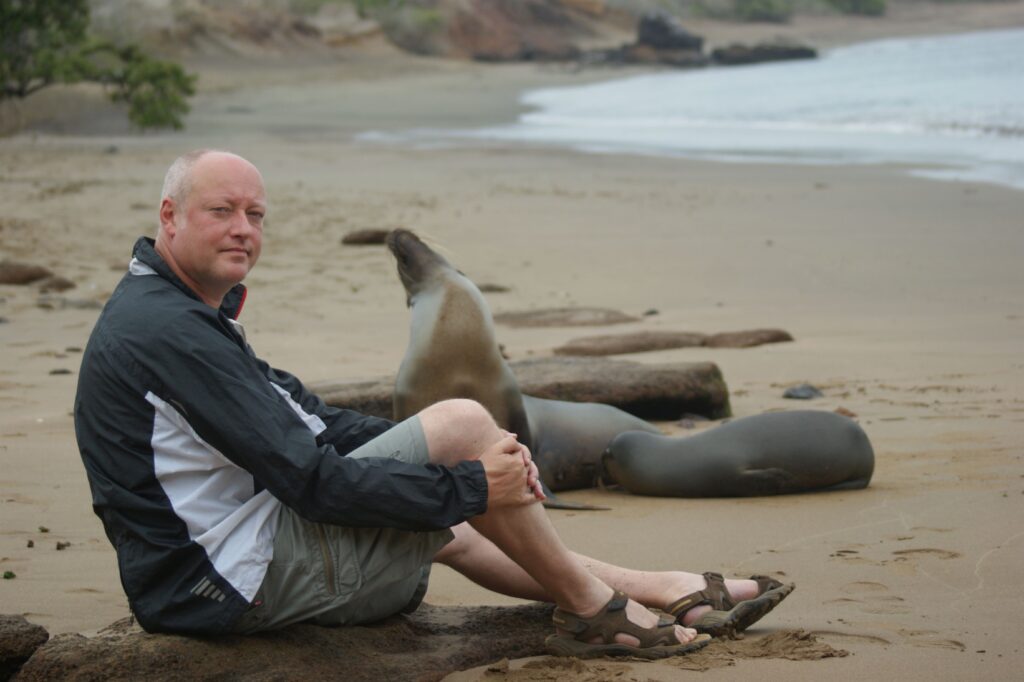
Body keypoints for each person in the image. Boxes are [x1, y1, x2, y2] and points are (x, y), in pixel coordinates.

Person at [74, 150, 792, 658]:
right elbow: (311, 481)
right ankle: (594, 610)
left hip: (207, 573)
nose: (244, 231)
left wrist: (445, 461)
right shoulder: (171, 332)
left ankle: (656, 590)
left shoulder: (174, 312)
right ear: (170, 216)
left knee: (452, 472)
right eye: (222, 212)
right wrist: (471, 478)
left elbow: (312, 420)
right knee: (464, 426)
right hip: (223, 587)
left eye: (255, 215)